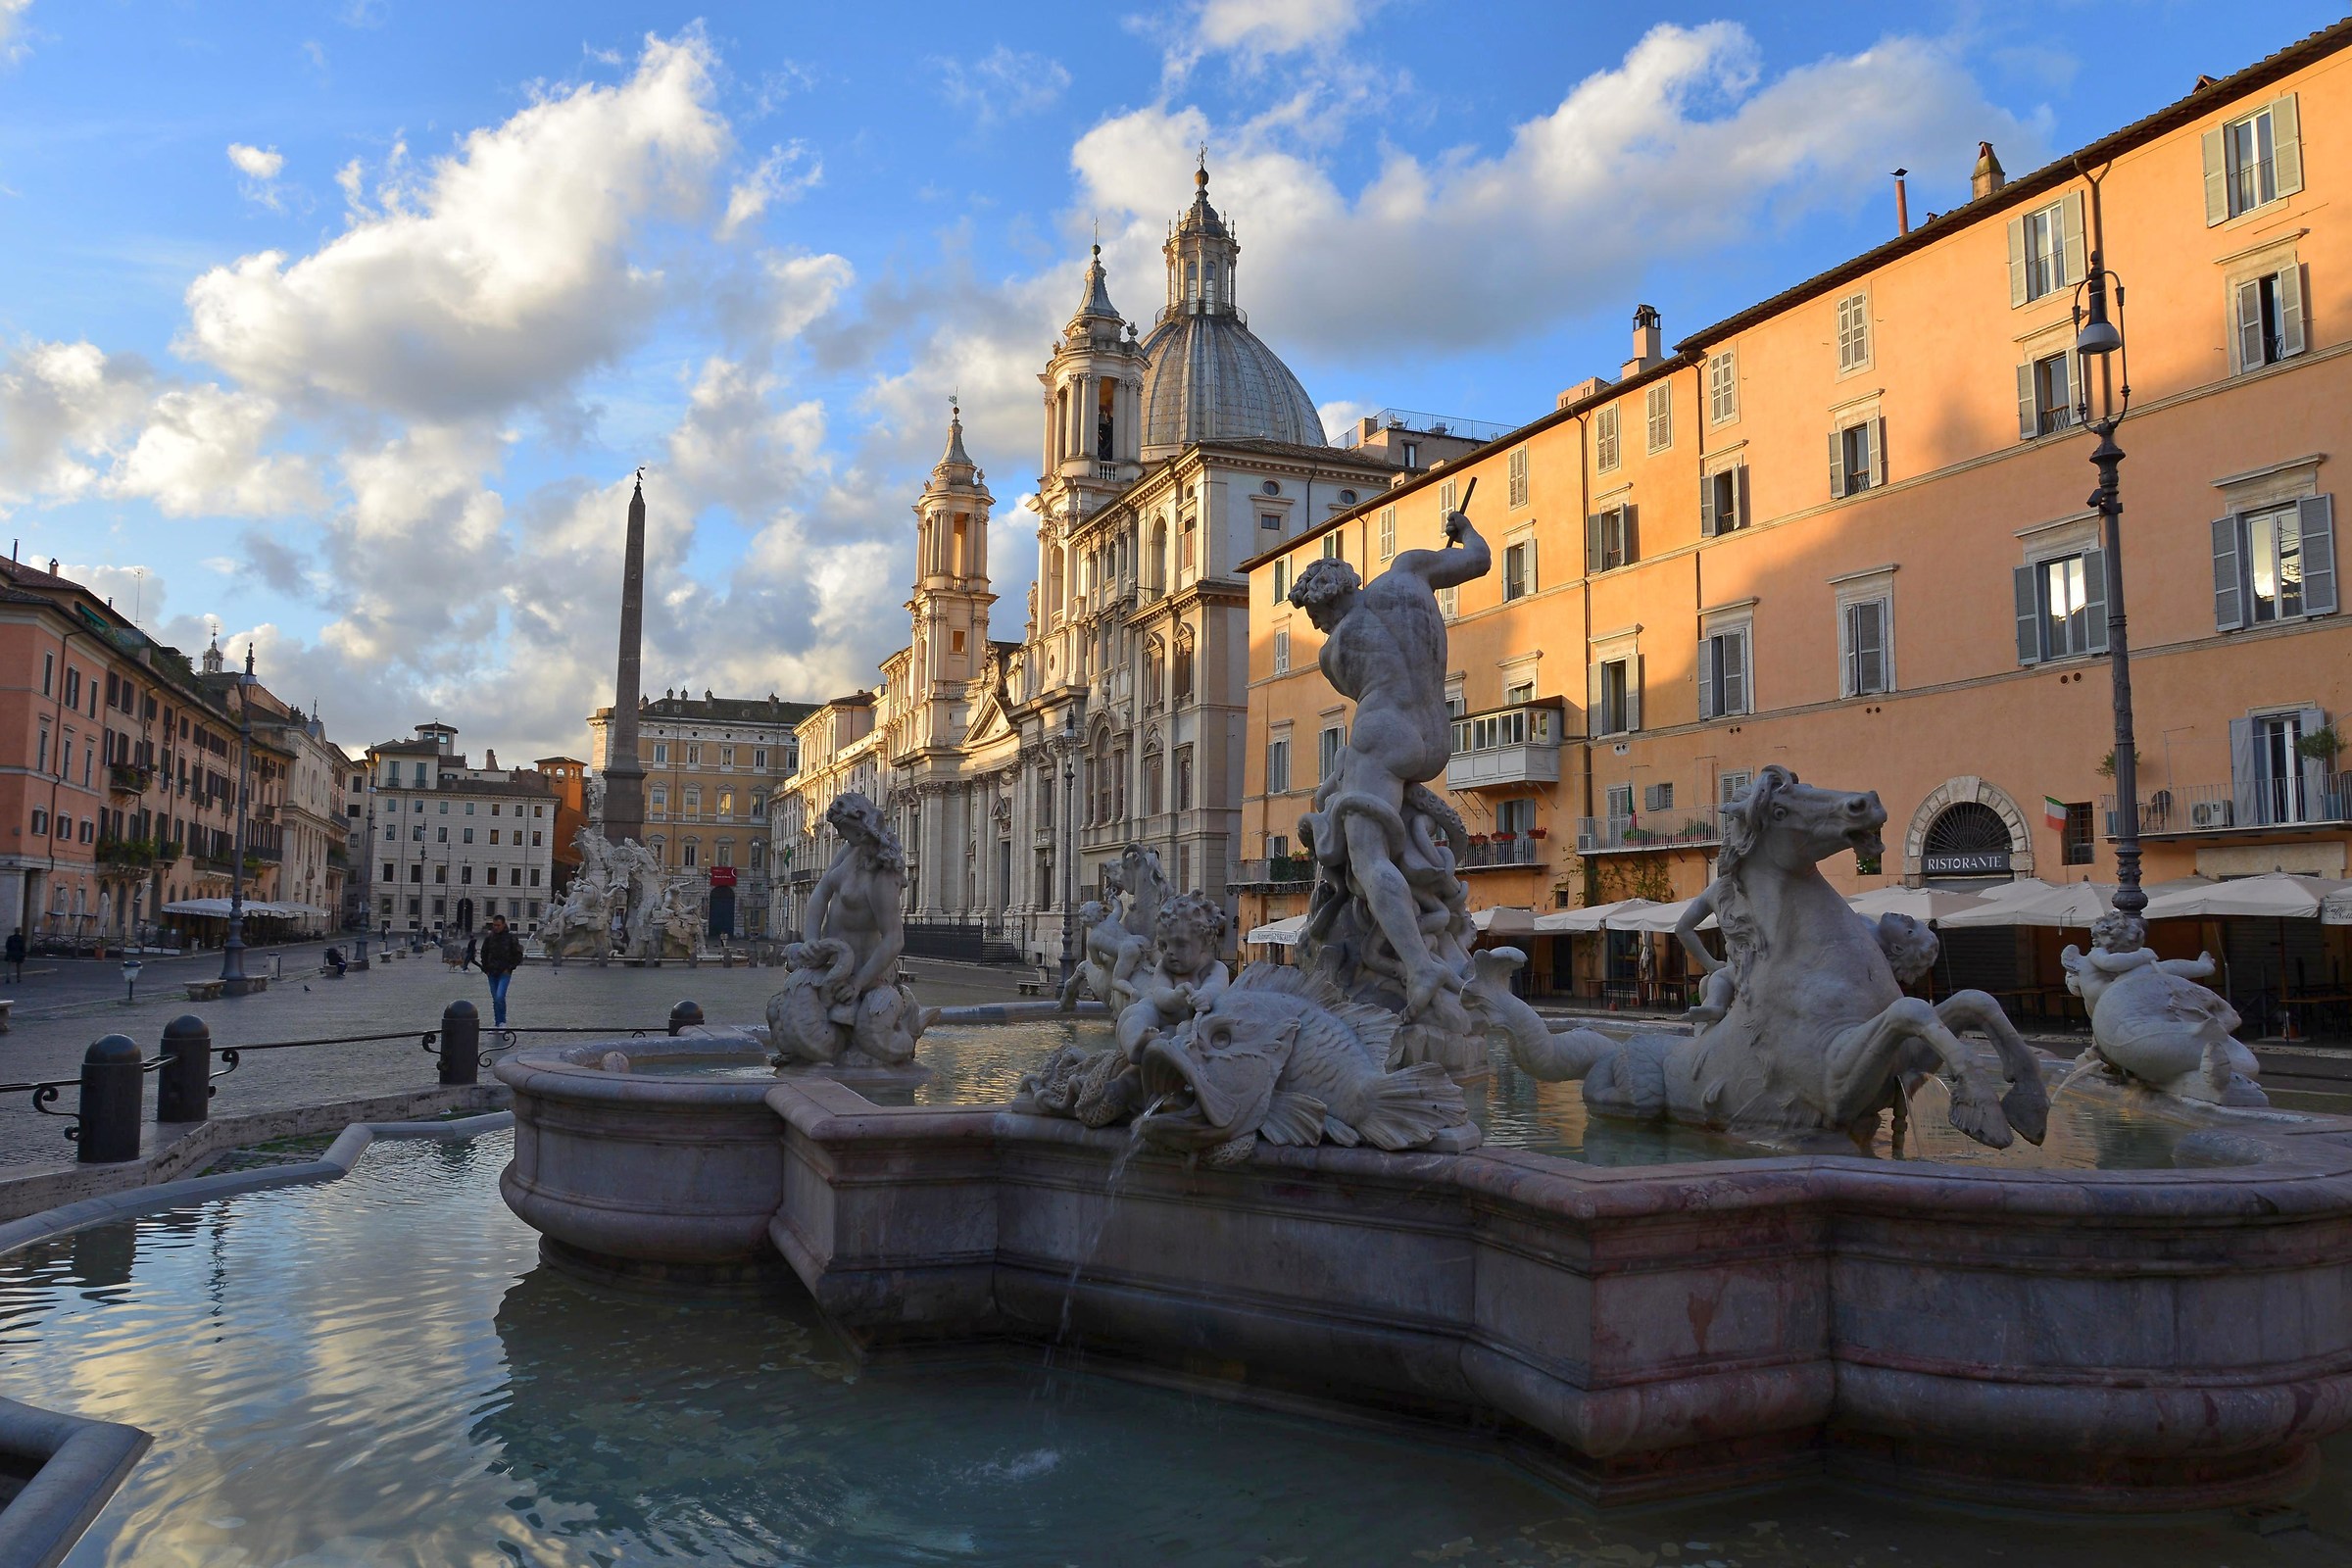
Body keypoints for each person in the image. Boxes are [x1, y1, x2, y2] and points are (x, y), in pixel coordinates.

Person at [478, 914, 524, 1029]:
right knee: (495, 999)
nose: (496, 927)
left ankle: (502, 1022)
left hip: (504, 972)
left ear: (503, 924)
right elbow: (484, 953)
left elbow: (518, 955)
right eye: (494, 925)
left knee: (499, 996)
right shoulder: (489, 938)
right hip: (491, 972)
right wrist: (485, 969)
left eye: (498, 925)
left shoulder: (511, 938)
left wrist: (509, 968)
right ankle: (497, 1023)